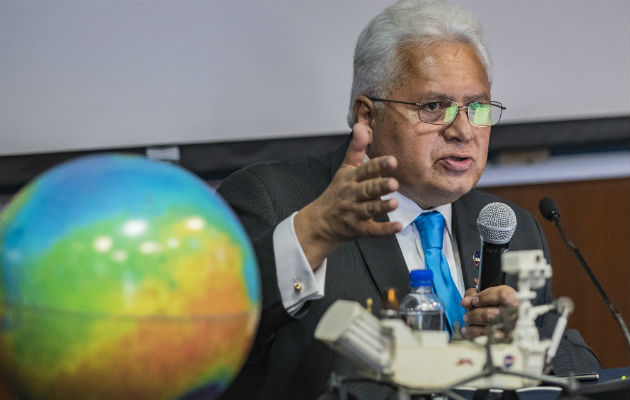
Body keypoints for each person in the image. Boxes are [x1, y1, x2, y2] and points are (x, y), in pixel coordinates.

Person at [216, 1, 600, 399]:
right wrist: (311, 234)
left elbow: (586, 374)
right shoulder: (276, 200)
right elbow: (209, 334)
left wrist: (526, 349)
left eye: (478, 107)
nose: (464, 131)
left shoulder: (509, 227)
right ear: (367, 115)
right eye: (434, 106)